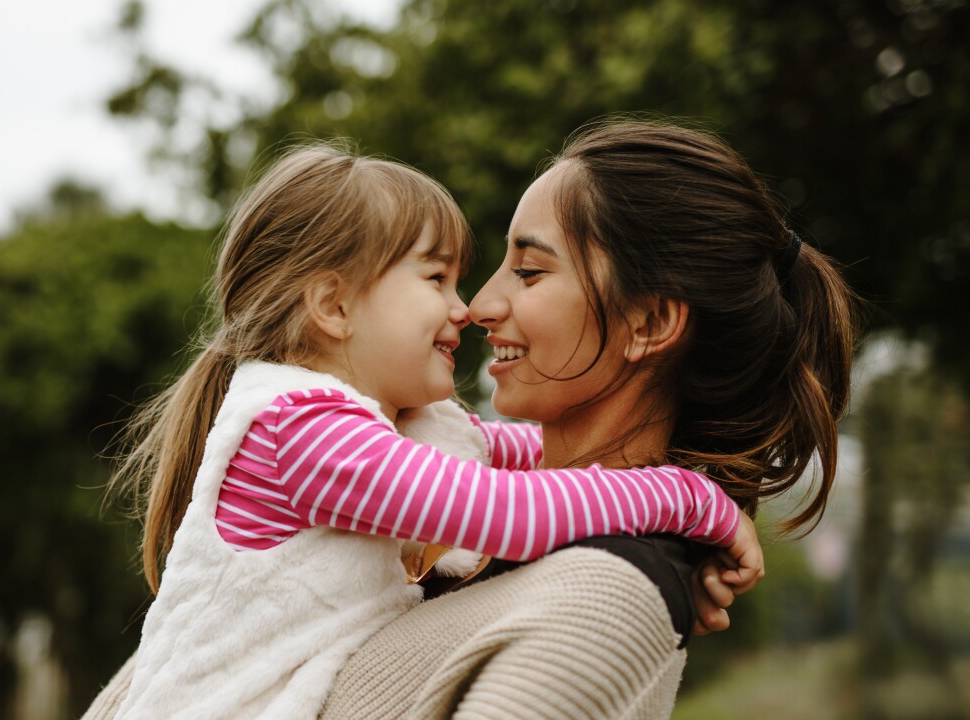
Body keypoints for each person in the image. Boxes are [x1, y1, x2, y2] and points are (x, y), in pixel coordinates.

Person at [87, 143, 761, 720]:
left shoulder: (387, 429)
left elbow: (521, 459)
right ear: (333, 305)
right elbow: (507, 511)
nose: (467, 309)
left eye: (525, 271)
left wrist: (684, 533)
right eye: (436, 278)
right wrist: (689, 502)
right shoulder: (306, 433)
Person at [315, 118, 859, 718]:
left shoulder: (606, 598)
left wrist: (687, 507)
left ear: (649, 324)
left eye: (529, 272)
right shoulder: (502, 540)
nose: (478, 307)